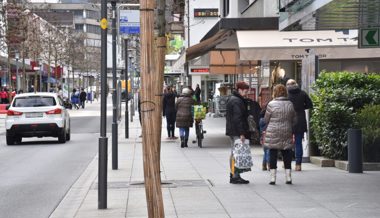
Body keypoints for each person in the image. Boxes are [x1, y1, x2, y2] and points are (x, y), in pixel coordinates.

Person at [264, 84, 296, 185]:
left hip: (273, 131)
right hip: (286, 130)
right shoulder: (290, 104)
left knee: (272, 152)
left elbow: (266, 119)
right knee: (287, 153)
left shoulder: (271, 104)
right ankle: (288, 177)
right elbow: (294, 119)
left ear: (275, 92)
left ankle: (273, 178)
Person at [225, 81, 251, 184]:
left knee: (234, 153)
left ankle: (234, 174)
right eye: (245, 91)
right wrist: (241, 133)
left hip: (232, 130)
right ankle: (235, 175)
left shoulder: (234, 99)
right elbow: (237, 118)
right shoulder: (237, 101)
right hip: (236, 131)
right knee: (236, 154)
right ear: (239, 90)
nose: (246, 93)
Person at [286, 79, 313, 171]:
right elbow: (310, 105)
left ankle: (287, 162)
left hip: (288, 121)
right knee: (298, 143)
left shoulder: (286, 95)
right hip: (300, 120)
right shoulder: (303, 93)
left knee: (287, 143)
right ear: (296, 84)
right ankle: (298, 164)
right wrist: (301, 108)